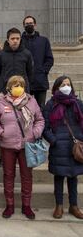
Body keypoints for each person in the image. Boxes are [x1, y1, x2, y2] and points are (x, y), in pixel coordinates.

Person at [0, 75, 44, 220]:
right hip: (7, 145)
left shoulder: (32, 102)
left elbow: (40, 119)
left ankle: (26, 206)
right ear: (9, 87)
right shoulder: (2, 102)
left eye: (20, 84)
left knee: (27, 176)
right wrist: (0, 133)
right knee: (8, 175)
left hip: (27, 145)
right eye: (15, 84)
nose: (18, 87)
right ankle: (10, 205)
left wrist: (35, 132)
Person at [43, 75, 83, 219]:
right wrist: (53, 140)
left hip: (74, 146)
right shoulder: (51, 104)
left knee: (73, 177)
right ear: (57, 87)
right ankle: (59, 206)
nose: (66, 87)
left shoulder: (78, 103)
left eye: (68, 84)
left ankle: (74, 206)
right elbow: (45, 126)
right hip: (59, 146)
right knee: (59, 177)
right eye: (62, 85)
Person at [21, 15, 54, 108]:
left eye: (31, 23)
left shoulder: (44, 41)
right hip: (24, 81)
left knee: (41, 108)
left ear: (35, 25)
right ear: (23, 26)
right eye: (27, 24)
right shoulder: (20, 41)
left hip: (40, 81)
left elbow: (49, 59)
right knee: (25, 108)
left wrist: (43, 71)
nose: (29, 25)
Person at [0, 28, 34, 93]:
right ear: (8, 40)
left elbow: (30, 73)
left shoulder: (27, 54)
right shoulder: (0, 55)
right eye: (12, 38)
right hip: (5, 89)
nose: (15, 41)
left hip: (22, 89)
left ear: (20, 39)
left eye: (17, 38)